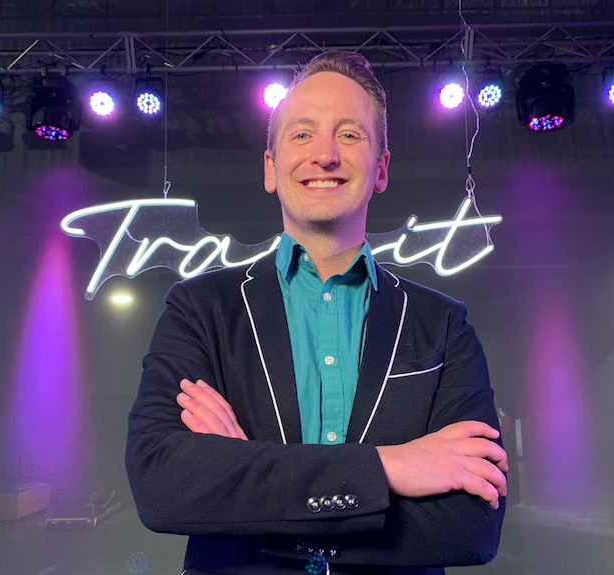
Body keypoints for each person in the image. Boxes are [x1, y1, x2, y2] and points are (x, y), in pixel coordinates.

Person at [126, 50, 508, 575]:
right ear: (271, 166)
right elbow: (163, 483)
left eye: (349, 135)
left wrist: (249, 495)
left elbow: (472, 524)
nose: (324, 155)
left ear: (381, 169)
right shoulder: (199, 310)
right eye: (301, 134)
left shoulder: (442, 324)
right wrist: (391, 467)